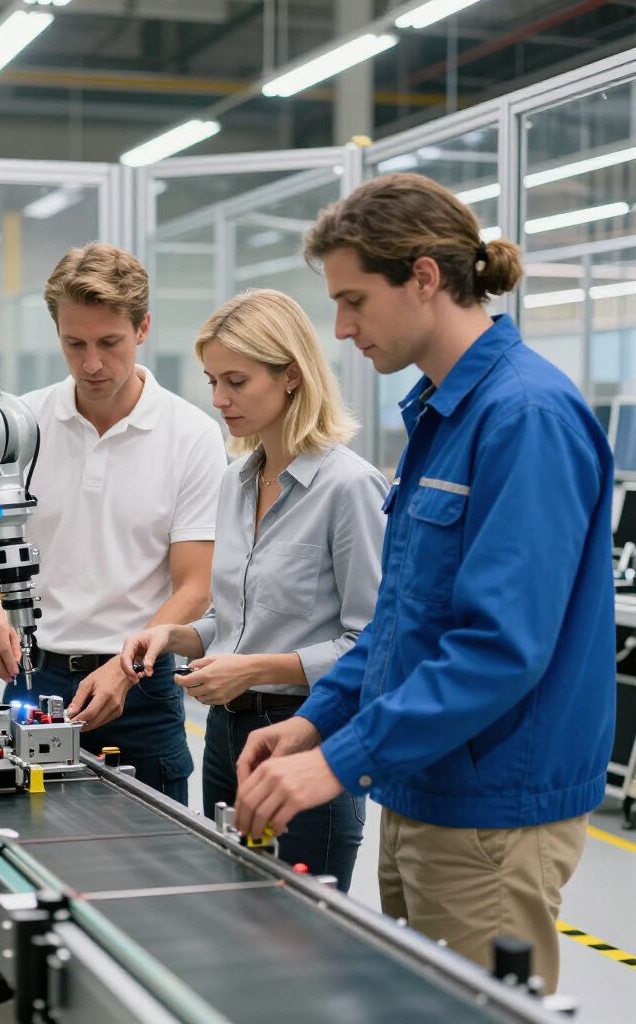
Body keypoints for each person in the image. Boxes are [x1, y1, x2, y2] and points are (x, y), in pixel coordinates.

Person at [234, 173, 614, 992]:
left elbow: (499, 648)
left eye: (354, 301)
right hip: (421, 785)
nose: (341, 330)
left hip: (491, 810)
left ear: (425, 278)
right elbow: (402, 617)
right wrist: (316, 723)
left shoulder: (525, 417)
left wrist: (341, 761)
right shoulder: (442, 415)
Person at [120, 289, 386, 890]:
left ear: (291, 375)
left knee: (298, 927)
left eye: (236, 381)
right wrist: (173, 635)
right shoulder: (236, 481)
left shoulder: (349, 489)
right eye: (213, 381)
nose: (219, 399)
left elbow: (372, 645)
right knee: (230, 908)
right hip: (225, 737)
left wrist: (253, 669)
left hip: (307, 734)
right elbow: (233, 620)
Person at [0, 242, 227, 803]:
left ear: (143, 328)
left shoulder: (191, 435)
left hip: (140, 686)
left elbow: (195, 585)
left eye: (109, 342)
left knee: (152, 845)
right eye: (74, 344)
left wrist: (125, 669)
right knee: (24, 835)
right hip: (33, 675)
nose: (92, 364)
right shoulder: (22, 424)